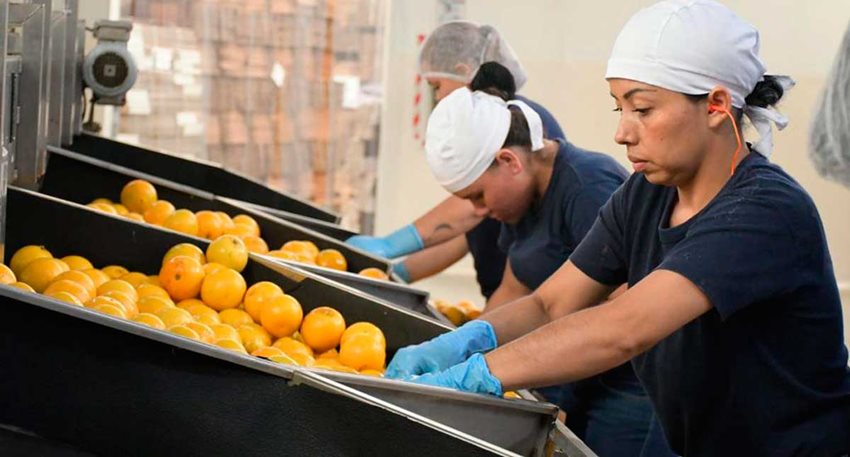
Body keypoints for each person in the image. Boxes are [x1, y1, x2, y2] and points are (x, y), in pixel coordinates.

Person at [386, 1, 850, 455]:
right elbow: (551, 303)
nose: (623, 133)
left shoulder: (764, 210)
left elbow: (624, 328)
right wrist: (463, 343)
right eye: (618, 110)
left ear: (715, 105)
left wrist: (479, 374)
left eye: (642, 109)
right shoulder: (647, 194)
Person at [411, 63, 673, 456]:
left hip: (624, 388)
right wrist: (463, 348)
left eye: (479, 196)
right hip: (564, 371)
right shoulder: (521, 203)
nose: (479, 210)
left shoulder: (587, 187)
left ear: (509, 162)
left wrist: (553, 391)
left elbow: (621, 307)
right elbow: (520, 291)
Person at [346, 21, 565, 301]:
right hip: (504, 298)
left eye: (436, 85)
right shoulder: (485, 131)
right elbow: (465, 233)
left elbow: (472, 211)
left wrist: (393, 244)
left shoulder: (516, 122)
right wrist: (397, 274)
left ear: (463, 72)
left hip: (527, 302)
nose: (437, 97)